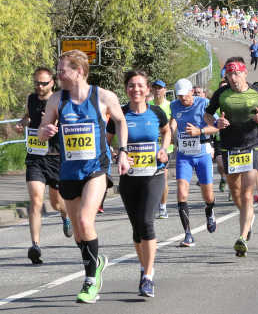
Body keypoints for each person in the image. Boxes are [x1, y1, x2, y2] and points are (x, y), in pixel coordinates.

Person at [38, 50, 126, 304]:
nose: (58, 74)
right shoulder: (56, 100)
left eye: (62, 69)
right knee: (78, 230)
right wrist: (47, 131)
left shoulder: (103, 96)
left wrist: (123, 151)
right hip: (68, 171)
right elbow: (43, 131)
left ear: (79, 71)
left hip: (95, 169)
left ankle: (90, 280)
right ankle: (95, 261)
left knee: (86, 221)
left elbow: (120, 121)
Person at [106, 70, 170, 298]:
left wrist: (164, 150)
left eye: (140, 85)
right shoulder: (120, 115)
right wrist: (116, 154)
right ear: (126, 89)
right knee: (136, 229)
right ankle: (144, 267)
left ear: (148, 89)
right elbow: (107, 140)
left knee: (146, 221)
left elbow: (167, 131)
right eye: (131, 86)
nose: (136, 90)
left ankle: (148, 276)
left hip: (153, 174)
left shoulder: (156, 113)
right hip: (129, 178)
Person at [204, 57, 258, 256]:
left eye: (236, 73)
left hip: (251, 145)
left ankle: (242, 237)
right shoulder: (222, 94)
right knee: (236, 192)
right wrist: (216, 123)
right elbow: (208, 114)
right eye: (229, 74)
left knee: (248, 194)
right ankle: (249, 217)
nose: (233, 78)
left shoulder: (257, 91)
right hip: (229, 147)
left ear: (245, 73)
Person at [16, 67, 72, 265]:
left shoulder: (60, 101)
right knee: (36, 200)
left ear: (52, 83)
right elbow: (29, 116)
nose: (39, 87)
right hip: (35, 157)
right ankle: (35, 246)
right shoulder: (32, 99)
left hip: (56, 157)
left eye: (43, 83)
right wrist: (22, 123)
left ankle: (65, 216)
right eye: (37, 83)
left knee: (57, 204)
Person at [169, 79, 217, 248]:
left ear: (191, 91)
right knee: (181, 193)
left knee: (208, 195)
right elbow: (173, 121)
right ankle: (188, 234)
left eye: (185, 95)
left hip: (202, 153)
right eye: (180, 96)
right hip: (184, 155)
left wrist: (200, 131)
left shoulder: (204, 104)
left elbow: (217, 126)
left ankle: (210, 210)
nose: (183, 99)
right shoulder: (174, 106)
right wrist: (170, 133)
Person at [150, 80, 172, 219]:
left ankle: (163, 206)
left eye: (160, 88)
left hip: (165, 147)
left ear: (165, 90)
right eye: (155, 88)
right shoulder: (147, 105)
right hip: (148, 147)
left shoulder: (170, 106)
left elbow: (172, 126)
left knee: (162, 177)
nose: (157, 90)